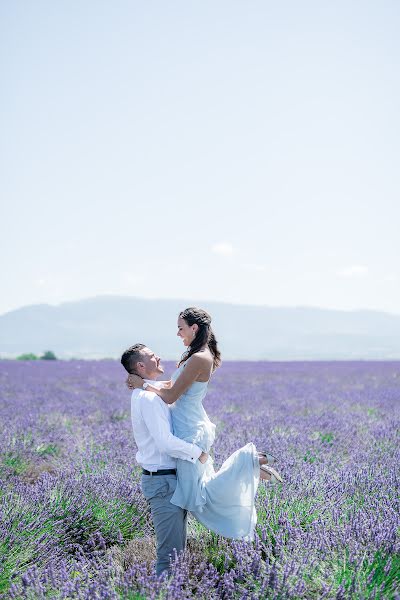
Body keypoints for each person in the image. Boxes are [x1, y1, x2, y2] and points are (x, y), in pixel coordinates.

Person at [124, 307, 283, 545]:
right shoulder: (193, 355)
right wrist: (145, 382)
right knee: (199, 489)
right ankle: (247, 468)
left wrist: (144, 385)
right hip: (187, 426)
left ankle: (247, 462)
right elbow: (172, 383)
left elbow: (170, 396)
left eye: (181, 327)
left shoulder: (200, 358)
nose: (178, 333)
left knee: (198, 495)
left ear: (194, 328)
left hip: (189, 429)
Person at [121, 343, 209, 576]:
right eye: (152, 356)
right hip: (162, 483)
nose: (158, 357)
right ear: (141, 365)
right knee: (169, 556)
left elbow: (169, 388)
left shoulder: (149, 392)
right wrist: (197, 453)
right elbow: (165, 442)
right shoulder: (148, 399)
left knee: (175, 552)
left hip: (168, 480)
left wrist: (140, 381)